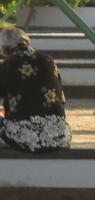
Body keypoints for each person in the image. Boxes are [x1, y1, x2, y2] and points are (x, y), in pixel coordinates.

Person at [0, 25, 72, 153]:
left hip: (23, 139)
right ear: (27, 42)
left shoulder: (8, 65)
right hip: (58, 137)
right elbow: (61, 99)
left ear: (5, 49)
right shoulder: (48, 60)